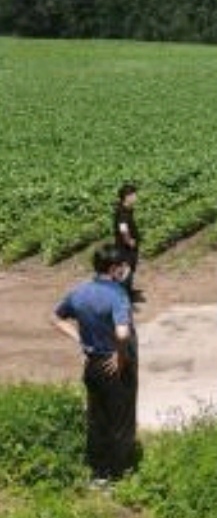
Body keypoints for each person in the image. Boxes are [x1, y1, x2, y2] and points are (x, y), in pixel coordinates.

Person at [51, 245, 138, 482]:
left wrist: (81, 339)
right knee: (120, 421)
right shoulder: (117, 295)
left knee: (97, 418)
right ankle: (118, 475)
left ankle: (98, 474)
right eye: (122, 266)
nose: (125, 270)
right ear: (113, 268)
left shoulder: (80, 291)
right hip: (114, 365)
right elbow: (122, 333)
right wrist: (120, 356)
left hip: (92, 364)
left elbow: (56, 317)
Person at [112, 182, 143, 302]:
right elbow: (123, 229)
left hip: (126, 246)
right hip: (124, 247)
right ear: (127, 197)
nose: (136, 197)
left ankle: (127, 292)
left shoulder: (126, 210)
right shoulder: (123, 212)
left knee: (128, 269)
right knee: (125, 270)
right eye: (134, 195)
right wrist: (129, 241)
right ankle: (123, 296)